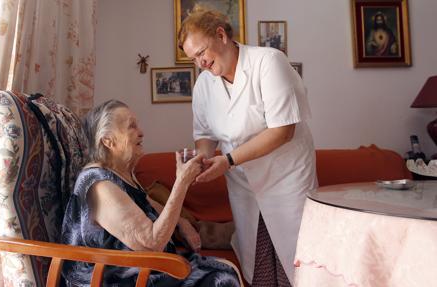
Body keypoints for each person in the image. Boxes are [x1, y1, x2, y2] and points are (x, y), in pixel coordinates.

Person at [178, 6, 318, 286]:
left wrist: (227, 160)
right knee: (256, 257)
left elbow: (282, 130)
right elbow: (205, 135)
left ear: (221, 35)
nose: (200, 63)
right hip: (243, 183)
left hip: (286, 177)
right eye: (193, 58)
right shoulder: (204, 85)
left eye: (202, 52)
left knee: (298, 260)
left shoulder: (268, 61)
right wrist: (200, 162)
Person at [60, 99, 242, 287]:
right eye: (132, 127)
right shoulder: (99, 184)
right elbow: (151, 244)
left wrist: (182, 222)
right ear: (108, 141)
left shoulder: (121, 174)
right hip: (112, 277)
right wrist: (181, 183)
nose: (141, 132)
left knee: (226, 268)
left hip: (142, 268)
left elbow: (148, 203)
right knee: (223, 279)